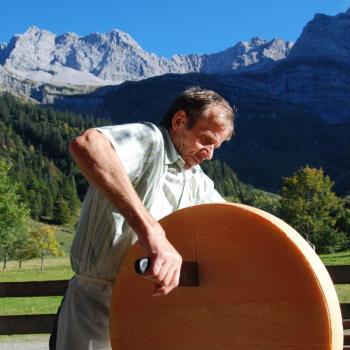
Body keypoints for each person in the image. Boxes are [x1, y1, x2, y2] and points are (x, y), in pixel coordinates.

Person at [49, 87, 235, 350]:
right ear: (179, 121)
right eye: (206, 140)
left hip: (150, 313)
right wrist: (152, 232)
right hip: (96, 306)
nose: (210, 153)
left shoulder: (195, 179)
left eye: (216, 146)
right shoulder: (152, 140)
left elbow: (233, 223)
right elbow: (88, 145)